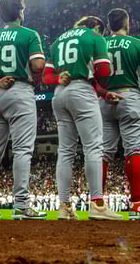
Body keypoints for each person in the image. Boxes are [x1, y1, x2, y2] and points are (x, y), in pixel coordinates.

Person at [0, 0, 47, 220]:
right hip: (19, 91)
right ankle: (22, 205)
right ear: (20, 12)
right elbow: (37, 64)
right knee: (22, 150)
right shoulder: (28, 34)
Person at [42, 15, 122, 220]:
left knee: (66, 151)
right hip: (82, 92)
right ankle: (97, 204)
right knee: (94, 147)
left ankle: (64, 206)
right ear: (96, 27)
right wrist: (97, 75)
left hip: (60, 93)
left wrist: (103, 93)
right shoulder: (94, 37)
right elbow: (104, 70)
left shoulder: (59, 40)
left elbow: (47, 76)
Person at [101, 8, 140, 219]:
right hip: (128, 95)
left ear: (108, 26)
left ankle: (97, 203)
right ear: (128, 24)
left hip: (103, 98)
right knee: (134, 151)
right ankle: (136, 206)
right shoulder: (137, 44)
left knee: (103, 154)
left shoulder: (99, 43)